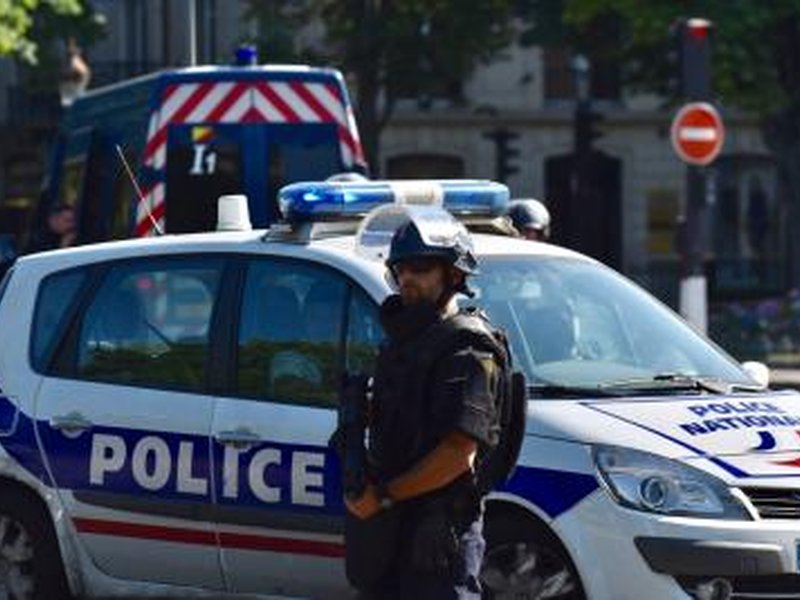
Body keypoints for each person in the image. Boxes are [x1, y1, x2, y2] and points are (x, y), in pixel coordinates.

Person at [344, 207, 506, 599]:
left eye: (420, 268)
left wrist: (383, 496)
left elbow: (458, 454)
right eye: (400, 270)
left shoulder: (467, 348)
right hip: (390, 530)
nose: (407, 280)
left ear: (453, 275)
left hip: (437, 535)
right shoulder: (403, 343)